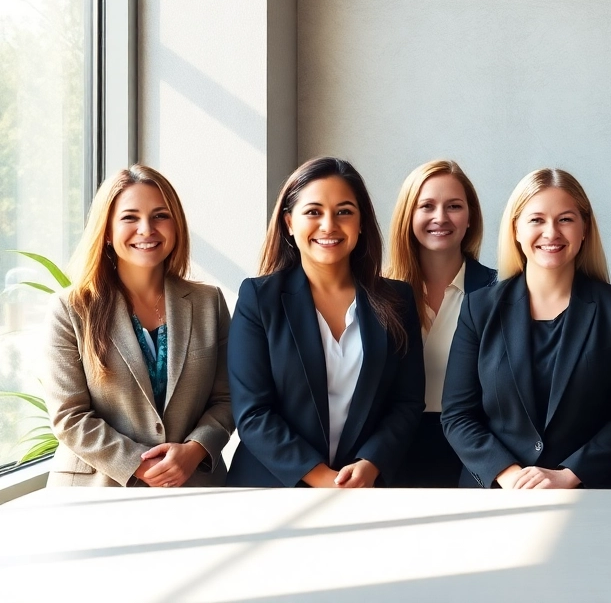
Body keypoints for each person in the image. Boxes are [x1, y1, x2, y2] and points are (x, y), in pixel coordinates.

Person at [442, 168, 611, 489]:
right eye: (536, 220)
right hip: (497, 493)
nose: (551, 232)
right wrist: (511, 477)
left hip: (590, 492)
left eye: (565, 219)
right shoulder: (478, 308)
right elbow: (458, 415)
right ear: (515, 230)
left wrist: (568, 475)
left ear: (584, 229)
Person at [227, 157, 424, 488]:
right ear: (289, 222)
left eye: (344, 211)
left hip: (365, 488)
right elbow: (253, 413)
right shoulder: (259, 299)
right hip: (270, 489)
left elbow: (406, 402)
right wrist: (324, 479)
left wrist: (371, 463)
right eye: (313, 212)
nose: (329, 225)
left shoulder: (397, 299)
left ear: (361, 223)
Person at [43, 165, 232, 487]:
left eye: (160, 216)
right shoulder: (71, 308)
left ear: (176, 226)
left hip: (194, 485)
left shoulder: (208, 302)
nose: (147, 229)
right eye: (130, 217)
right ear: (106, 230)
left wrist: (195, 449)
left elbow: (228, 398)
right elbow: (69, 416)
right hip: (95, 492)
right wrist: (139, 465)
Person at [386, 160, 496, 486]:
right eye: (427, 206)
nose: (440, 217)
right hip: (392, 453)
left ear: (470, 216)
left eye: (454, 206)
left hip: (476, 451)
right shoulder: (377, 296)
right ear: (408, 215)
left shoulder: (501, 295)